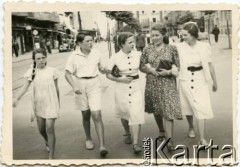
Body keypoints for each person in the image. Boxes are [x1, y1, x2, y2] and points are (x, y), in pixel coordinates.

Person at [65, 33, 108, 157]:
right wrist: (74, 86)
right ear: (79, 43)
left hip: (94, 83)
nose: (91, 43)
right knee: (86, 115)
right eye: (87, 41)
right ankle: (88, 138)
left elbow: (101, 68)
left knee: (97, 114)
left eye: (91, 40)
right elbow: (67, 74)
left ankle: (102, 146)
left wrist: (105, 69)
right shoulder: (73, 56)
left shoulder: (96, 54)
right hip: (80, 84)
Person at [140, 23, 182, 151]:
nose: (154, 38)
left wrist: (168, 72)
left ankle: (169, 140)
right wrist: (151, 70)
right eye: (152, 35)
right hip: (152, 82)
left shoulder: (172, 48)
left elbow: (177, 66)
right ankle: (161, 130)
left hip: (168, 83)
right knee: (157, 109)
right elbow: (141, 66)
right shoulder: (147, 49)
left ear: (163, 35)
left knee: (168, 111)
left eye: (157, 35)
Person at [12, 48, 60, 159]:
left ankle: (51, 157)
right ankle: (47, 141)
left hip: (51, 103)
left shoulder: (53, 71)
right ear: (34, 60)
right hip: (39, 104)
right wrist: (16, 98)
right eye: (38, 58)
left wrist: (58, 104)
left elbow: (57, 89)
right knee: (41, 129)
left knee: (50, 128)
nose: (41, 60)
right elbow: (24, 87)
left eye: (43, 58)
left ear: (46, 58)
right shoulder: (32, 72)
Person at [176, 22, 218, 145]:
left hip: (200, 79)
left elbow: (210, 65)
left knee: (201, 107)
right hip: (185, 79)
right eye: (182, 35)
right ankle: (191, 127)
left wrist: (215, 82)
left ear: (193, 35)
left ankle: (202, 138)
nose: (183, 37)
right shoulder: (179, 47)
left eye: (185, 35)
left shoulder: (204, 46)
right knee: (188, 106)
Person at [106, 32, 144, 154]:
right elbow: (108, 74)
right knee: (124, 113)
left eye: (133, 41)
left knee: (135, 113)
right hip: (121, 87)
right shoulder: (115, 57)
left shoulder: (138, 55)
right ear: (122, 44)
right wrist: (119, 79)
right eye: (130, 42)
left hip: (136, 87)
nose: (133, 44)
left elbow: (145, 67)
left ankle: (136, 143)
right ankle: (127, 132)